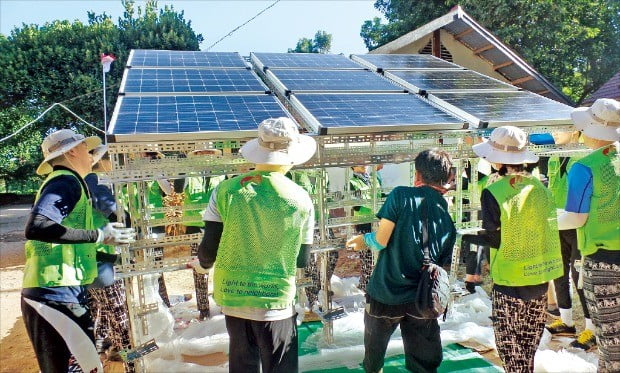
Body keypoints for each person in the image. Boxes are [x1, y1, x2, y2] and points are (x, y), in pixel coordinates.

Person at [193, 117, 316, 372]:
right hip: (275, 301)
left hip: (234, 296)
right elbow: (302, 260)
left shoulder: (226, 190)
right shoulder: (301, 199)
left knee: (242, 365)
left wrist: (202, 265)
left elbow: (208, 249)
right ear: (292, 155)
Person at [22, 129, 135, 373]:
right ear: (72, 151)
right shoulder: (65, 181)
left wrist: (107, 246)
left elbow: (67, 239)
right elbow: (37, 227)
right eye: (86, 148)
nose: (90, 154)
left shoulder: (72, 183)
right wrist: (100, 235)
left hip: (59, 291)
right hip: (53, 294)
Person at [462, 126, 563, 372]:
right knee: (528, 350)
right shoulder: (540, 188)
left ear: (498, 161)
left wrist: (469, 238)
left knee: (511, 350)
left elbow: (496, 238)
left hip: (511, 279)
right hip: (540, 276)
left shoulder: (494, 191)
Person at [346, 149, 456, 373]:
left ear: (417, 174)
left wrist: (362, 240)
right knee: (423, 365)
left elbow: (380, 241)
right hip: (423, 298)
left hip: (386, 293)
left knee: (374, 360)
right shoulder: (445, 211)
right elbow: (444, 260)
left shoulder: (400, 195)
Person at [559, 98, 619, 372]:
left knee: (610, 340)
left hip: (604, 261)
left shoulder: (585, 167)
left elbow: (576, 218)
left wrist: (543, 223)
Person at [531, 132, 596, 350]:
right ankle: (566, 321)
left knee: (579, 277)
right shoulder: (553, 157)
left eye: (562, 129)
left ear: (576, 132)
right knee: (557, 271)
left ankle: (591, 329)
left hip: (577, 224)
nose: (555, 133)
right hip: (556, 222)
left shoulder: (582, 158)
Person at [85, 144, 134, 371]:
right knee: (120, 315)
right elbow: (120, 216)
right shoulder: (97, 183)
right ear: (106, 160)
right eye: (117, 159)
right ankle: (130, 362)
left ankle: (99, 351)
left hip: (89, 261)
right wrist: (136, 229)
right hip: (103, 262)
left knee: (101, 310)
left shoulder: (85, 182)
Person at [184, 149, 225, 320]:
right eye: (200, 153)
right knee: (200, 269)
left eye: (208, 152)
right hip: (194, 226)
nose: (205, 156)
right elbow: (178, 188)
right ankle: (203, 310)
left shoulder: (222, 174)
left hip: (218, 226)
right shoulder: (189, 174)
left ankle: (224, 303)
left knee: (223, 266)